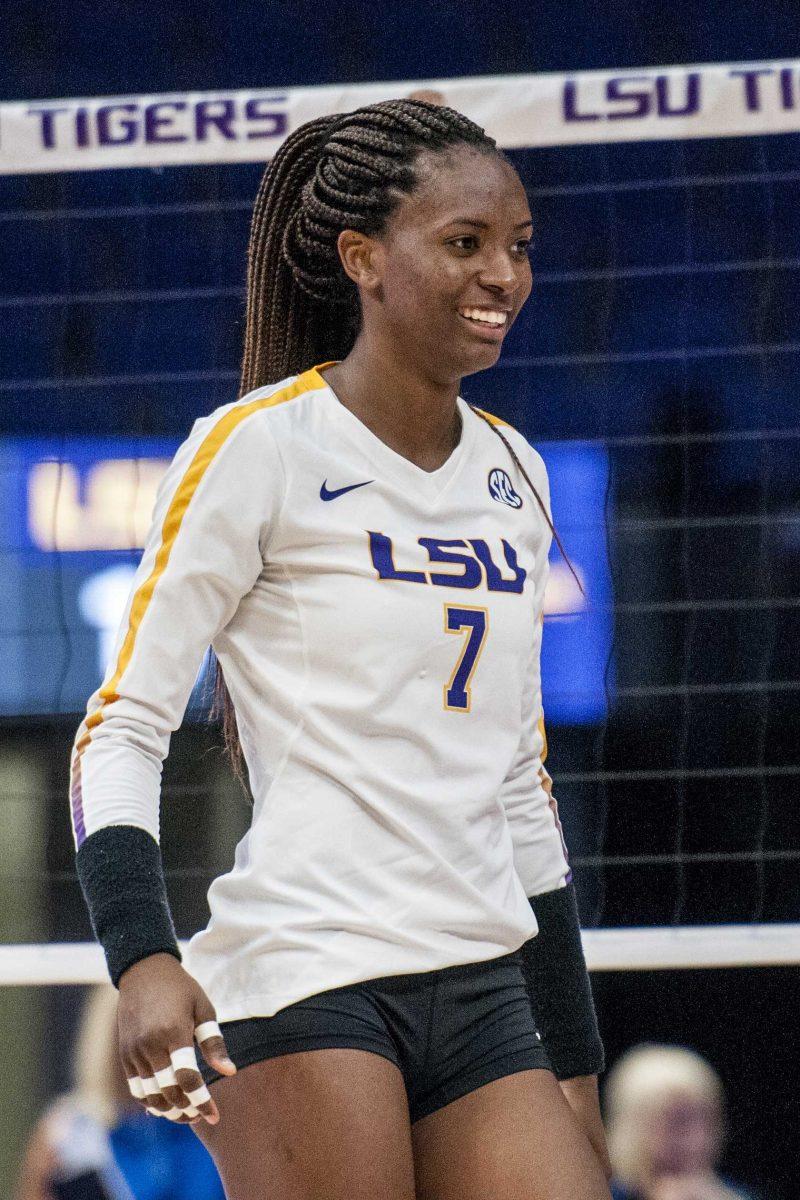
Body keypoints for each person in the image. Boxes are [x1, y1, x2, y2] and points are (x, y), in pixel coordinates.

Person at [70, 98, 612, 1200]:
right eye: (463, 244)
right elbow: (119, 726)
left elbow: (519, 787)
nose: (501, 274)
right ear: (361, 258)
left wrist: (573, 1054)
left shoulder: (516, 473)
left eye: (516, 247)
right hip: (305, 974)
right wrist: (143, 957)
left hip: (482, 981)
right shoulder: (255, 449)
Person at [14, 985, 223, 1200]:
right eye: (128, 1035)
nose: (144, 1049)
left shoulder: (215, 1114)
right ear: (107, 1041)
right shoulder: (69, 1133)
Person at [604, 1045, 758, 1200]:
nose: (697, 1139)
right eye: (677, 1122)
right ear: (632, 1128)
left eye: (707, 1120)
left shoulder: (735, 1195)